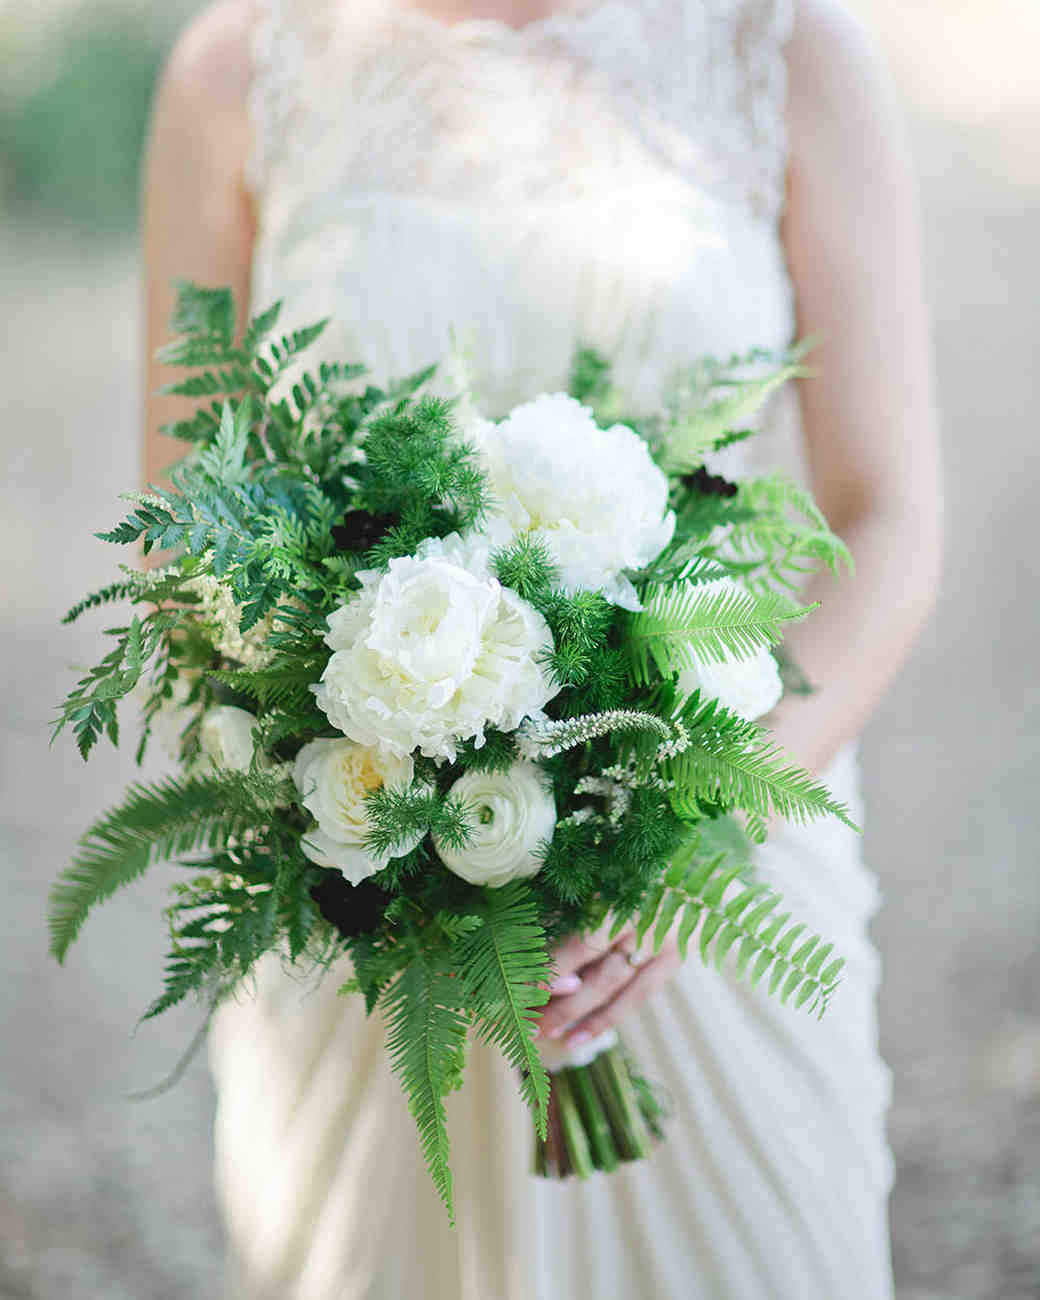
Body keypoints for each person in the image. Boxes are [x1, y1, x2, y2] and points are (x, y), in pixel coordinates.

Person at [142, 0, 942, 1294]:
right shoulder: (240, 68)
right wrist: (339, 748)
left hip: (719, 878)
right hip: (367, 889)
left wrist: (702, 820)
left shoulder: (784, 50)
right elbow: (180, 528)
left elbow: (891, 514)